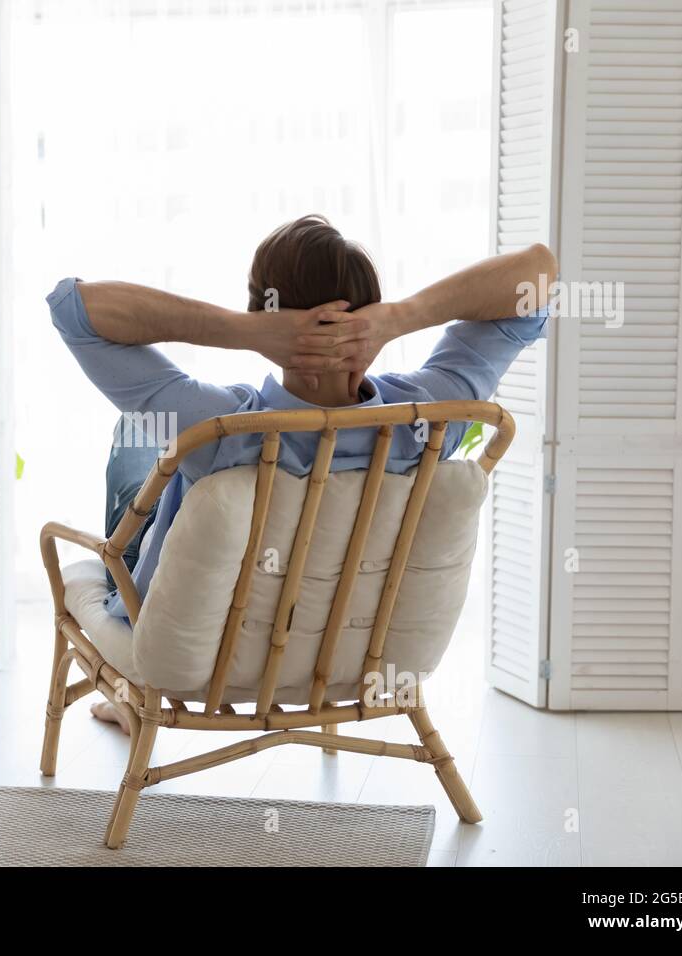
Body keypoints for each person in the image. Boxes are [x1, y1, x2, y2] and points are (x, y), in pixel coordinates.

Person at [46, 214, 556, 731]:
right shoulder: (427, 419)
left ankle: (127, 693)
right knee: (159, 456)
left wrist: (243, 331)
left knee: (137, 446)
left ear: (265, 312)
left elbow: (73, 308)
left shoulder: (218, 430)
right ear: (372, 313)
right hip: (358, 660)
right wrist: (400, 318)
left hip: (202, 657)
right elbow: (538, 276)